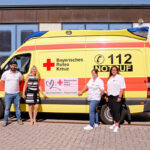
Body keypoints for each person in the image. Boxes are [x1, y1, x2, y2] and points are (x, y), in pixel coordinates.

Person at [1, 61, 23, 127]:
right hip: (8, 94)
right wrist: (8, 87)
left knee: (18, 108)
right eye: (12, 65)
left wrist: (15, 87)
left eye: (15, 65)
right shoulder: (5, 73)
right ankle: (5, 121)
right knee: (7, 108)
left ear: (16, 66)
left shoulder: (19, 73)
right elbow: (2, 81)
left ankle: (19, 119)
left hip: (16, 94)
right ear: (10, 66)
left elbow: (20, 81)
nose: (13, 67)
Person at [106, 66, 126, 132]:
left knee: (117, 111)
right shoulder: (110, 78)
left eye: (114, 70)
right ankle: (114, 124)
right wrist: (107, 96)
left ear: (117, 70)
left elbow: (122, 88)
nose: (113, 71)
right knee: (112, 111)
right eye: (112, 70)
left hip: (116, 96)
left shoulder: (120, 77)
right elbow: (108, 88)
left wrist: (120, 97)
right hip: (110, 97)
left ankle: (117, 125)